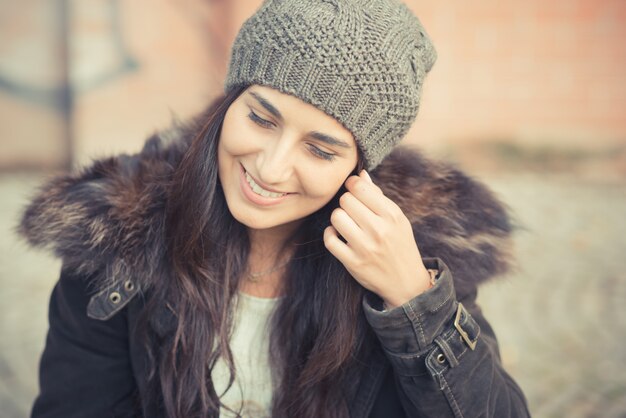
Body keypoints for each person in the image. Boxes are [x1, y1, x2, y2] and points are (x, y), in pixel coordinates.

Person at [18, 0, 530, 417]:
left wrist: (413, 301)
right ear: (228, 104)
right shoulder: (118, 233)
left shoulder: (415, 245)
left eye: (320, 149)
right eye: (262, 119)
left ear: (359, 168)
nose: (271, 167)